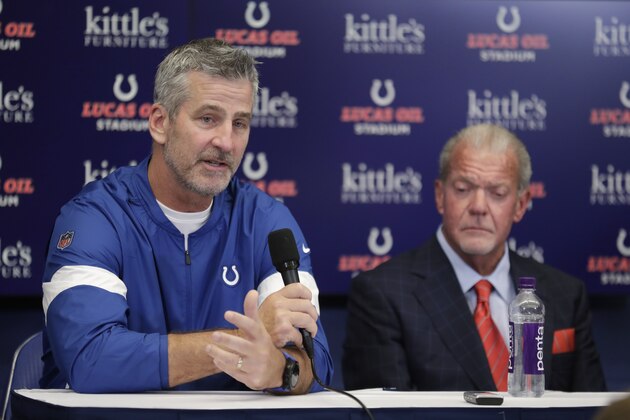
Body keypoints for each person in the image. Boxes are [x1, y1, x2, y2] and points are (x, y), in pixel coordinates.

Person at [40, 38, 332, 394]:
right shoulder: (95, 217)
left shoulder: (268, 221)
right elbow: (91, 359)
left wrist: (279, 371)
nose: (226, 141)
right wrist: (243, 343)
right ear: (161, 122)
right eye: (208, 118)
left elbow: (316, 365)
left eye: (240, 123)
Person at [342, 124, 606, 392]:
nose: (479, 207)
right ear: (439, 195)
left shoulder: (565, 295)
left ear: (521, 204)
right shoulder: (383, 295)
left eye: (497, 193)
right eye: (463, 188)